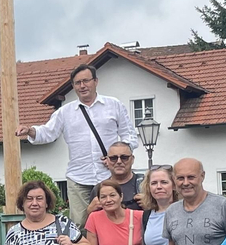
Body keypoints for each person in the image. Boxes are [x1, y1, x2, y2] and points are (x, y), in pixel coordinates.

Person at [18, 63, 140, 224]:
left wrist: (117, 157)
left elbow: (129, 135)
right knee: (80, 225)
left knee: (113, 221)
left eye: (86, 81)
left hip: (108, 177)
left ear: (95, 81)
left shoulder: (114, 105)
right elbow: (48, 133)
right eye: (77, 83)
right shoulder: (65, 112)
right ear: (73, 86)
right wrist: (30, 130)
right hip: (78, 178)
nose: (82, 86)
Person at [85, 181, 145, 245]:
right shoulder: (94, 218)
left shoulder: (140, 217)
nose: (108, 200)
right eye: (103, 197)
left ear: (121, 197)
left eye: (112, 195)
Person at [139, 165, 175, 245]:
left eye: (164, 182)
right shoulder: (147, 215)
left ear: (174, 185)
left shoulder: (183, 211)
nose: (159, 186)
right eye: (154, 183)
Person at [88, 142, 141, 212]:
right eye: (113, 158)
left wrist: (151, 205)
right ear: (107, 160)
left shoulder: (145, 184)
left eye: (124, 157)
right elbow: (92, 221)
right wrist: (89, 211)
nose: (119, 161)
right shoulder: (99, 189)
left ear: (132, 159)